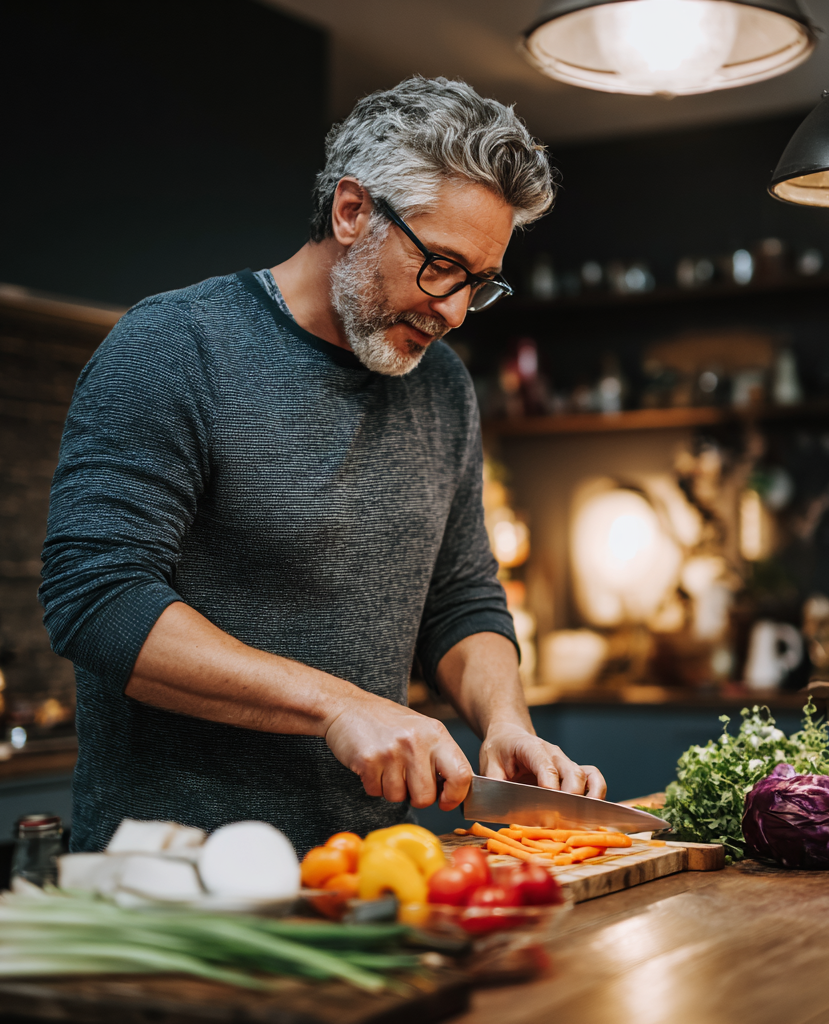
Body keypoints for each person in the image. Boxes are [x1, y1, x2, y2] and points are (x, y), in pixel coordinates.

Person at [40, 76, 606, 854]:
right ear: (352, 212)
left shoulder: (442, 387)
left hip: (368, 872)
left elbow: (460, 597)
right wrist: (337, 706)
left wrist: (506, 721)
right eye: (440, 266)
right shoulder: (174, 347)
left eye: (478, 284)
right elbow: (96, 600)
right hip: (173, 877)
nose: (452, 312)